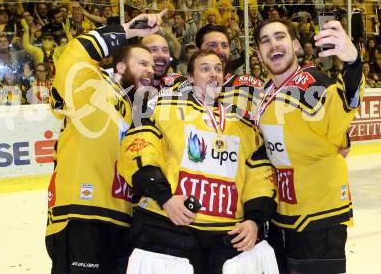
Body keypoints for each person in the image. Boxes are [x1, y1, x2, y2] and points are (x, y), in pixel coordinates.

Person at [118, 50, 277, 273]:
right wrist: (165, 198)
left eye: (218, 69)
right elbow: (139, 150)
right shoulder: (164, 108)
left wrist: (254, 220)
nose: (214, 74)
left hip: (226, 238)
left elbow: (261, 177)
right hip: (169, 231)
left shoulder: (244, 126)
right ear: (190, 78)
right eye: (205, 69)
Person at [45, 11, 165, 274]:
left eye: (151, 65)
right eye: (141, 62)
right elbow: (75, 53)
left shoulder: (137, 112)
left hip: (122, 221)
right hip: (81, 214)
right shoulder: (92, 86)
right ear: (120, 67)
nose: (149, 69)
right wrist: (128, 31)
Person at [253, 18, 364, 274]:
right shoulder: (268, 92)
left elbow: (342, 105)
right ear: (258, 54)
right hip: (284, 214)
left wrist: (352, 60)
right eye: (265, 41)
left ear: (294, 45)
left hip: (318, 216)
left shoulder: (311, 83)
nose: (273, 45)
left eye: (280, 37)